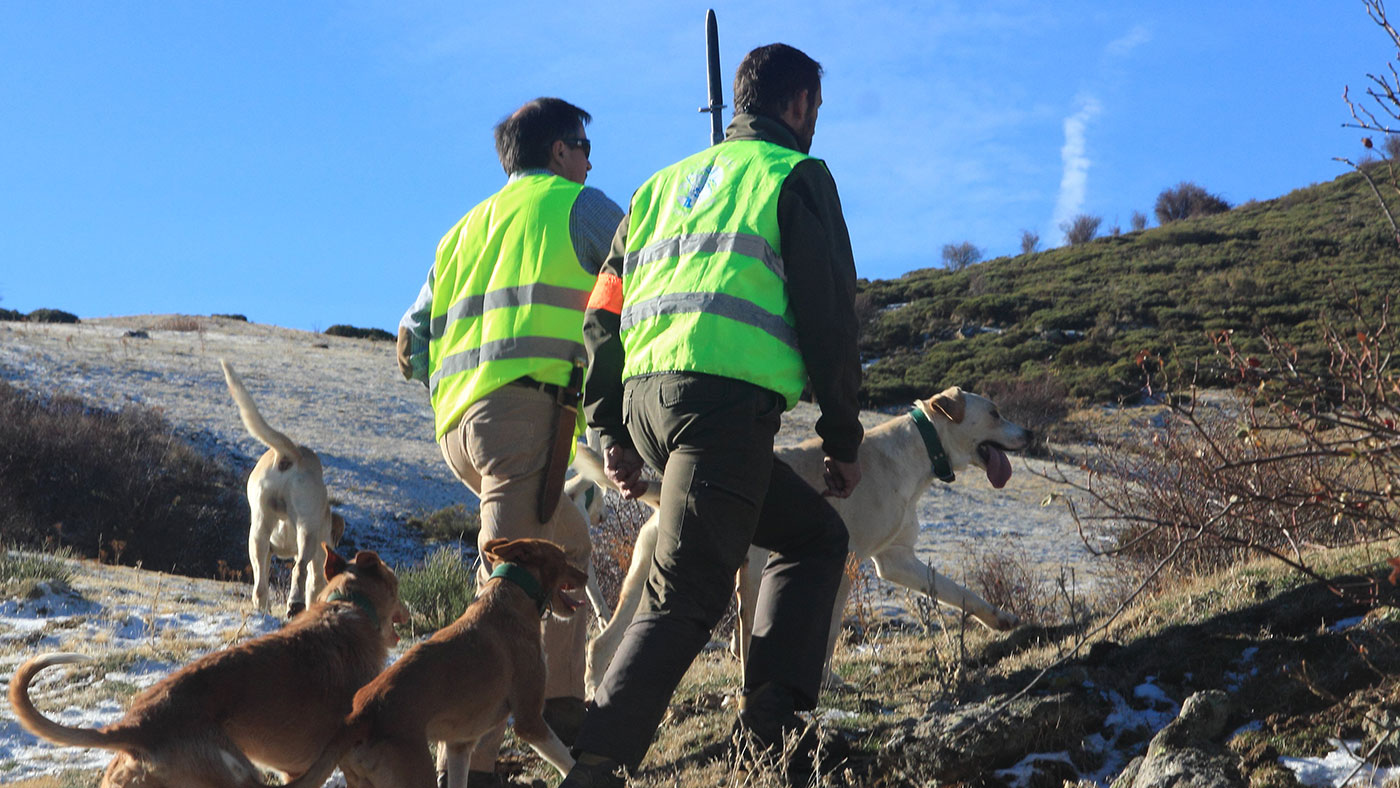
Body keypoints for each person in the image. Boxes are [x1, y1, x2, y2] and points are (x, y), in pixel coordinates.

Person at [562, 43, 863, 787]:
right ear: (796, 105)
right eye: (815, 110)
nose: (815, 125)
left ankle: (771, 735)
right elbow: (829, 319)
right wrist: (842, 435)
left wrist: (611, 431)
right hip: (720, 410)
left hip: (652, 407)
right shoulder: (796, 175)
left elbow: (601, 317)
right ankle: (594, 766)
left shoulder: (658, 187)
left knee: (814, 537)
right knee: (687, 590)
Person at [397, 97, 623, 788]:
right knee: (506, 590)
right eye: (584, 147)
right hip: (526, 417)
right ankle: (477, 770)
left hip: (463, 429)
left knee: (570, 551)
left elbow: (409, 344)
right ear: (559, 151)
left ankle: (558, 707)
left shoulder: (462, 230)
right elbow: (647, 275)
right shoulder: (576, 207)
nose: (589, 160)